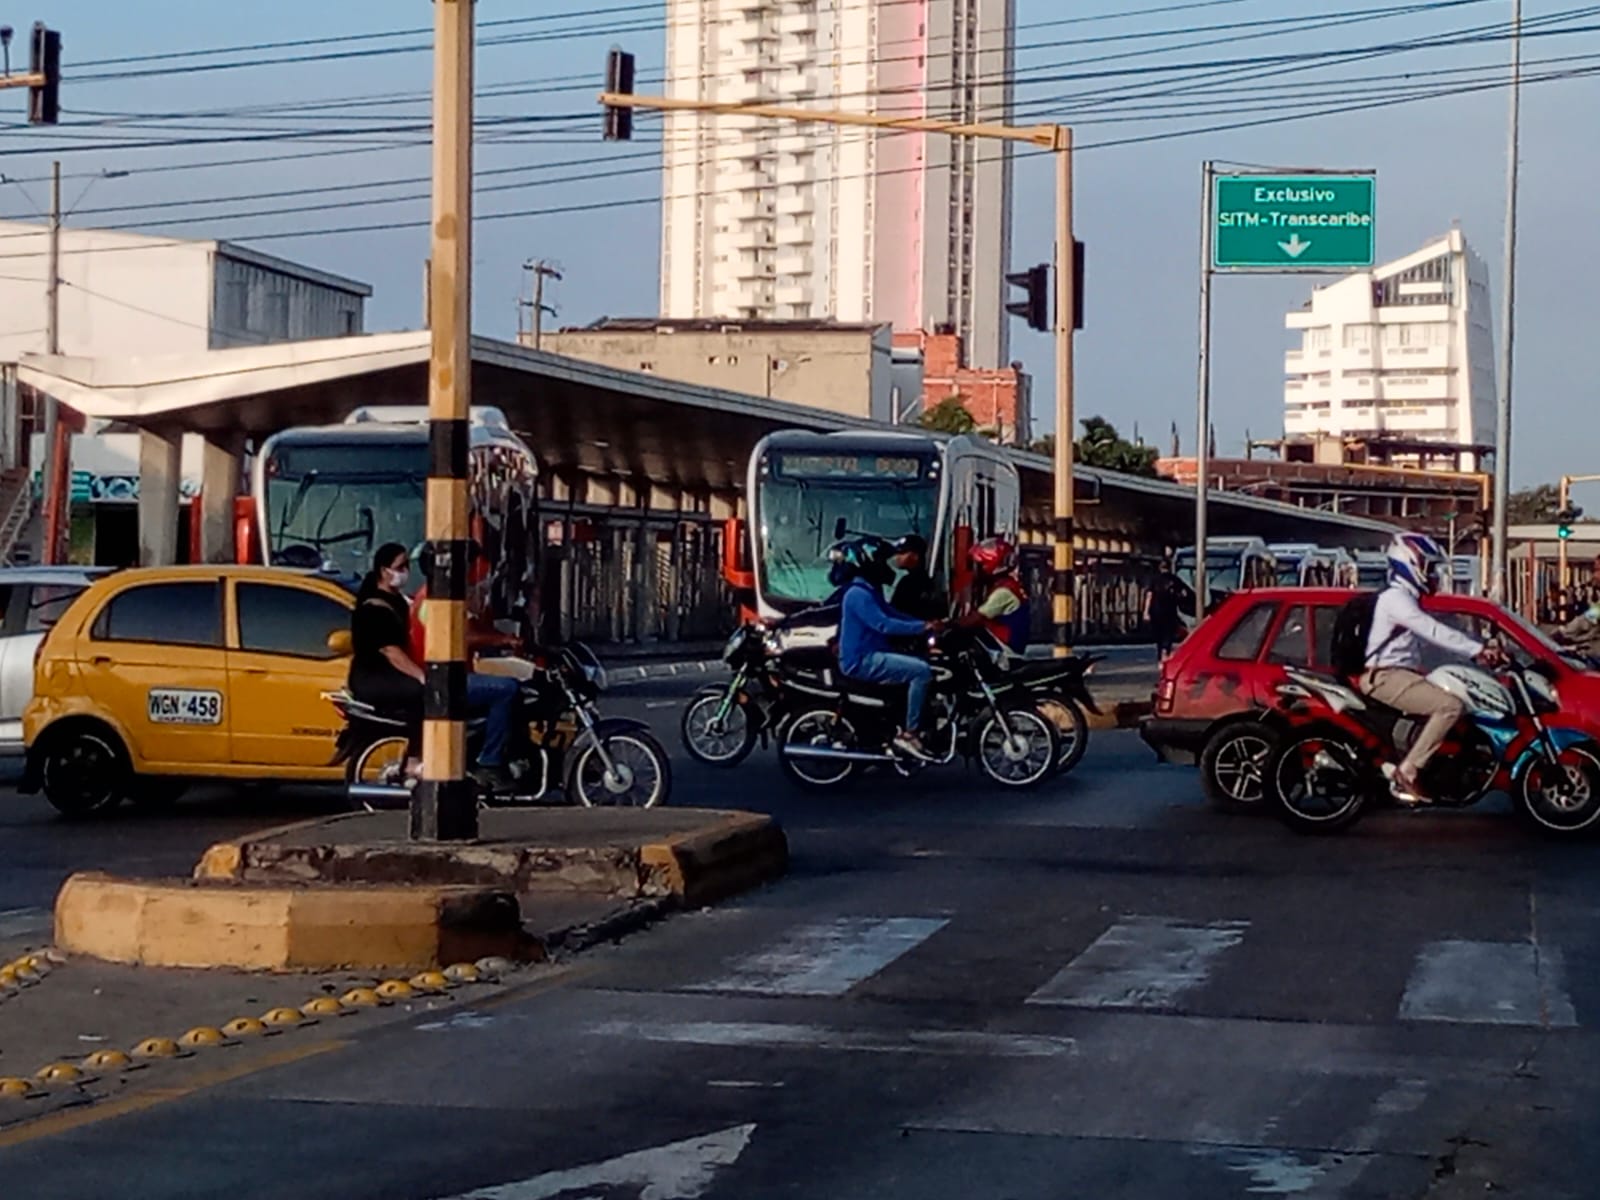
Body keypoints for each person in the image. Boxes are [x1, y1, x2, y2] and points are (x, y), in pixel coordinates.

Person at [348, 544, 519, 790]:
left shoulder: (404, 599)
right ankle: (486, 762)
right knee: (503, 690)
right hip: (398, 678)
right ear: (383, 571)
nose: (405, 572)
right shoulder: (425, 601)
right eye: (399, 567)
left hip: (428, 673)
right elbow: (394, 650)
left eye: (407, 565)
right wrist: (422, 677)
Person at [1358, 532, 1501, 805]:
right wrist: (1477, 649)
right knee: (1450, 706)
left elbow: (1434, 636)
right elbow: (1432, 630)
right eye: (1430, 567)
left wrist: (1472, 650)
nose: (1434, 574)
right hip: (1385, 677)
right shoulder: (1395, 599)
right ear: (1411, 563)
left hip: (1399, 674)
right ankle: (1408, 771)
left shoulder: (1406, 598)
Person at [833, 539, 941, 760]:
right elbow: (883, 623)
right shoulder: (858, 594)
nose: (888, 567)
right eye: (882, 561)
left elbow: (892, 613)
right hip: (862, 660)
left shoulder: (869, 590)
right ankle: (910, 734)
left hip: (873, 653)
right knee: (921, 671)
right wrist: (921, 627)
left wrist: (927, 624)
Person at [955, 536, 1030, 652]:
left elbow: (975, 619)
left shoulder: (1003, 592)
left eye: (980, 565)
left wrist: (947, 625)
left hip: (1004, 650)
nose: (976, 571)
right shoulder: (1004, 585)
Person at [888, 534, 943, 621]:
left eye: (902, 553)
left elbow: (897, 613)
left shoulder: (910, 583)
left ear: (915, 556)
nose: (897, 557)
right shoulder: (925, 580)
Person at [1144, 562, 1183, 662]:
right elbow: (1182, 593)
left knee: (1159, 634)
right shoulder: (1174, 579)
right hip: (1170, 610)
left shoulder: (1154, 579)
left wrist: (1146, 611)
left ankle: (1160, 653)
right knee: (1168, 633)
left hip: (1156, 610)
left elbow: (1149, 595)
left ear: (1159, 568)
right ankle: (1166, 651)